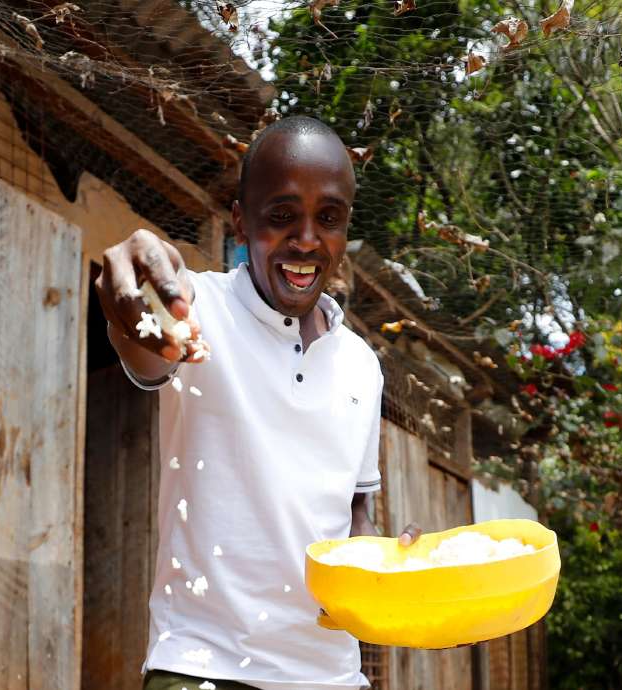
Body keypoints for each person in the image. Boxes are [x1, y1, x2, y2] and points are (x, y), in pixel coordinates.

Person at [95, 116, 420, 690]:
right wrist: (132, 310)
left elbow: (354, 517)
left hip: (330, 674)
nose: (306, 240)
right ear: (242, 221)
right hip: (202, 663)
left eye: (329, 218)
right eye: (280, 216)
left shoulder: (361, 367)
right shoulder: (198, 310)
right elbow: (147, 346)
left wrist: (402, 574)